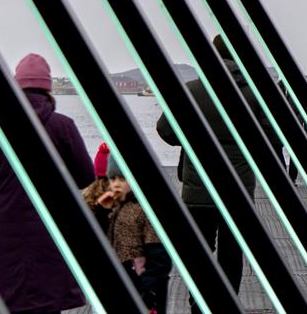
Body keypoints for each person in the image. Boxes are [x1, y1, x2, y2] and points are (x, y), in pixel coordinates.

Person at [155, 36, 283, 294]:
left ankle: (199, 304)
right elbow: (272, 137)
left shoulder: (191, 90)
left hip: (197, 188)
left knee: (200, 253)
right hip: (239, 189)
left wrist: (192, 139)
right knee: (231, 253)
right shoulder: (255, 94)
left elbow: (165, 129)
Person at [0, 53, 95, 313]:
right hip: (50, 234)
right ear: (48, 89)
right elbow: (85, 176)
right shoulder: (63, 126)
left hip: (7, 235)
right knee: (49, 302)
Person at [82, 159, 171, 313]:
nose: (116, 184)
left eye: (122, 179)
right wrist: (102, 212)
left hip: (143, 293)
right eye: (112, 179)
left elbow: (159, 257)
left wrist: (148, 293)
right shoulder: (115, 207)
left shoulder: (145, 210)